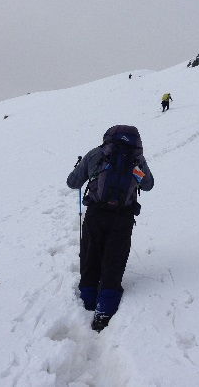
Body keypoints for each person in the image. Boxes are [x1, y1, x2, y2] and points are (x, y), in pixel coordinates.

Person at [66, 125, 154, 331]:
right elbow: (148, 185)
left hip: (96, 213)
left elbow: (73, 182)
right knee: (114, 259)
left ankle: (87, 300)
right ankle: (105, 309)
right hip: (123, 216)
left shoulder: (96, 154)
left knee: (90, 254)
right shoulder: (137, 159)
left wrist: (83, 167)